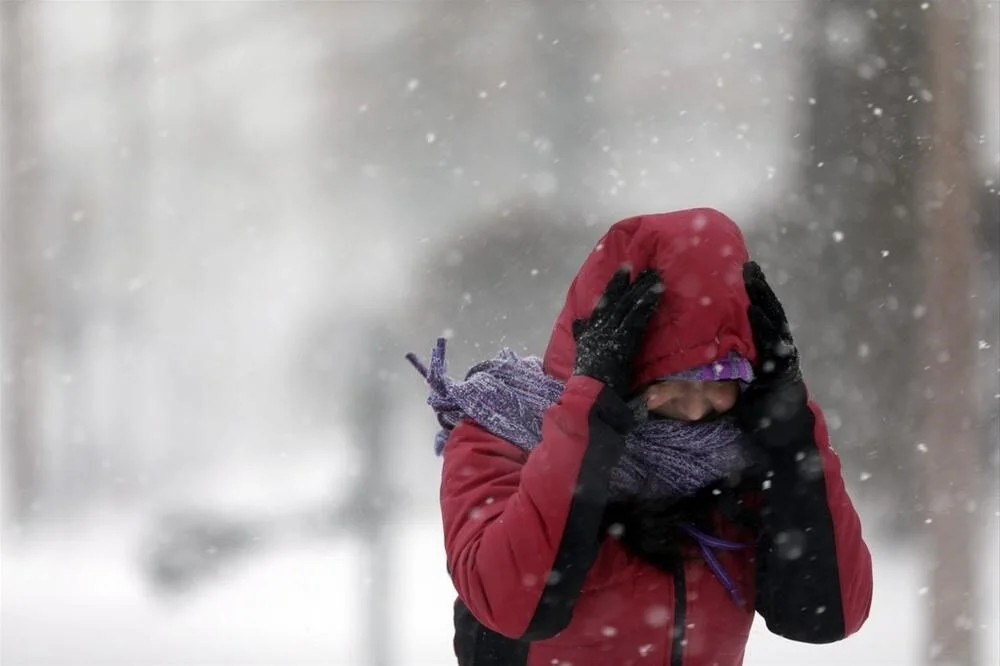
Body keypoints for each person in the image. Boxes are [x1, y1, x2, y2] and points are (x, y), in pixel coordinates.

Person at [407, 208, 872, 666]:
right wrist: (588, 419)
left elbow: (824, 616)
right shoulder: (501, 431)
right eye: (668, 383)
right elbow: (512, 604)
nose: (694, 410)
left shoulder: (741, 458)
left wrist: (791, 431)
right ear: (622, 369)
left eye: (718, 383)